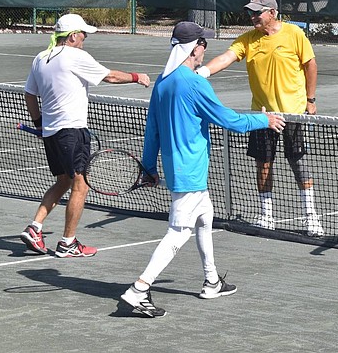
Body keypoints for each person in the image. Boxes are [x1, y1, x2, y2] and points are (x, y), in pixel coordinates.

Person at [120, 21, 286, 318]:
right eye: (203, 44)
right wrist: (266, 120)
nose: (205, 49)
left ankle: (211, 281)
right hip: (190, 171)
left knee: (205, 217)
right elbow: (229, 120)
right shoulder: (194, 83)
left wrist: (148, 167)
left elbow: (152, 131)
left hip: (178, 168)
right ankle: (139, 289)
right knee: (178, 232)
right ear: (194, 47)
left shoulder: (163, 81)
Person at [20, 13, 151, 258]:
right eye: (83, 34)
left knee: (63, 182)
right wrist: (137, 77)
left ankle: (35, 227)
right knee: (80, 185)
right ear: (72, 36)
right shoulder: (75, 56)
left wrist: (38, 122)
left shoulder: (41, 58)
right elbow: (109, 76)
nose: (85, 39)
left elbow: (29, 94)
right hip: (72, 131)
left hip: (52, 132)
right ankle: (68, 243)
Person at [197, 0, 324, 236]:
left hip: (294, 112)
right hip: (262, 115)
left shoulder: (295, 35)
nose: (253, 16)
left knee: (298, 163)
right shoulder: (248, 39)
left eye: (258, 12)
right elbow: (226, 57)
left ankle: (311, 218)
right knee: (263, 163)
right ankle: (267, 215)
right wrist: (201, 73)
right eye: (251, 12)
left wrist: (311, 99)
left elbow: (310, 65)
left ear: (273, 13)